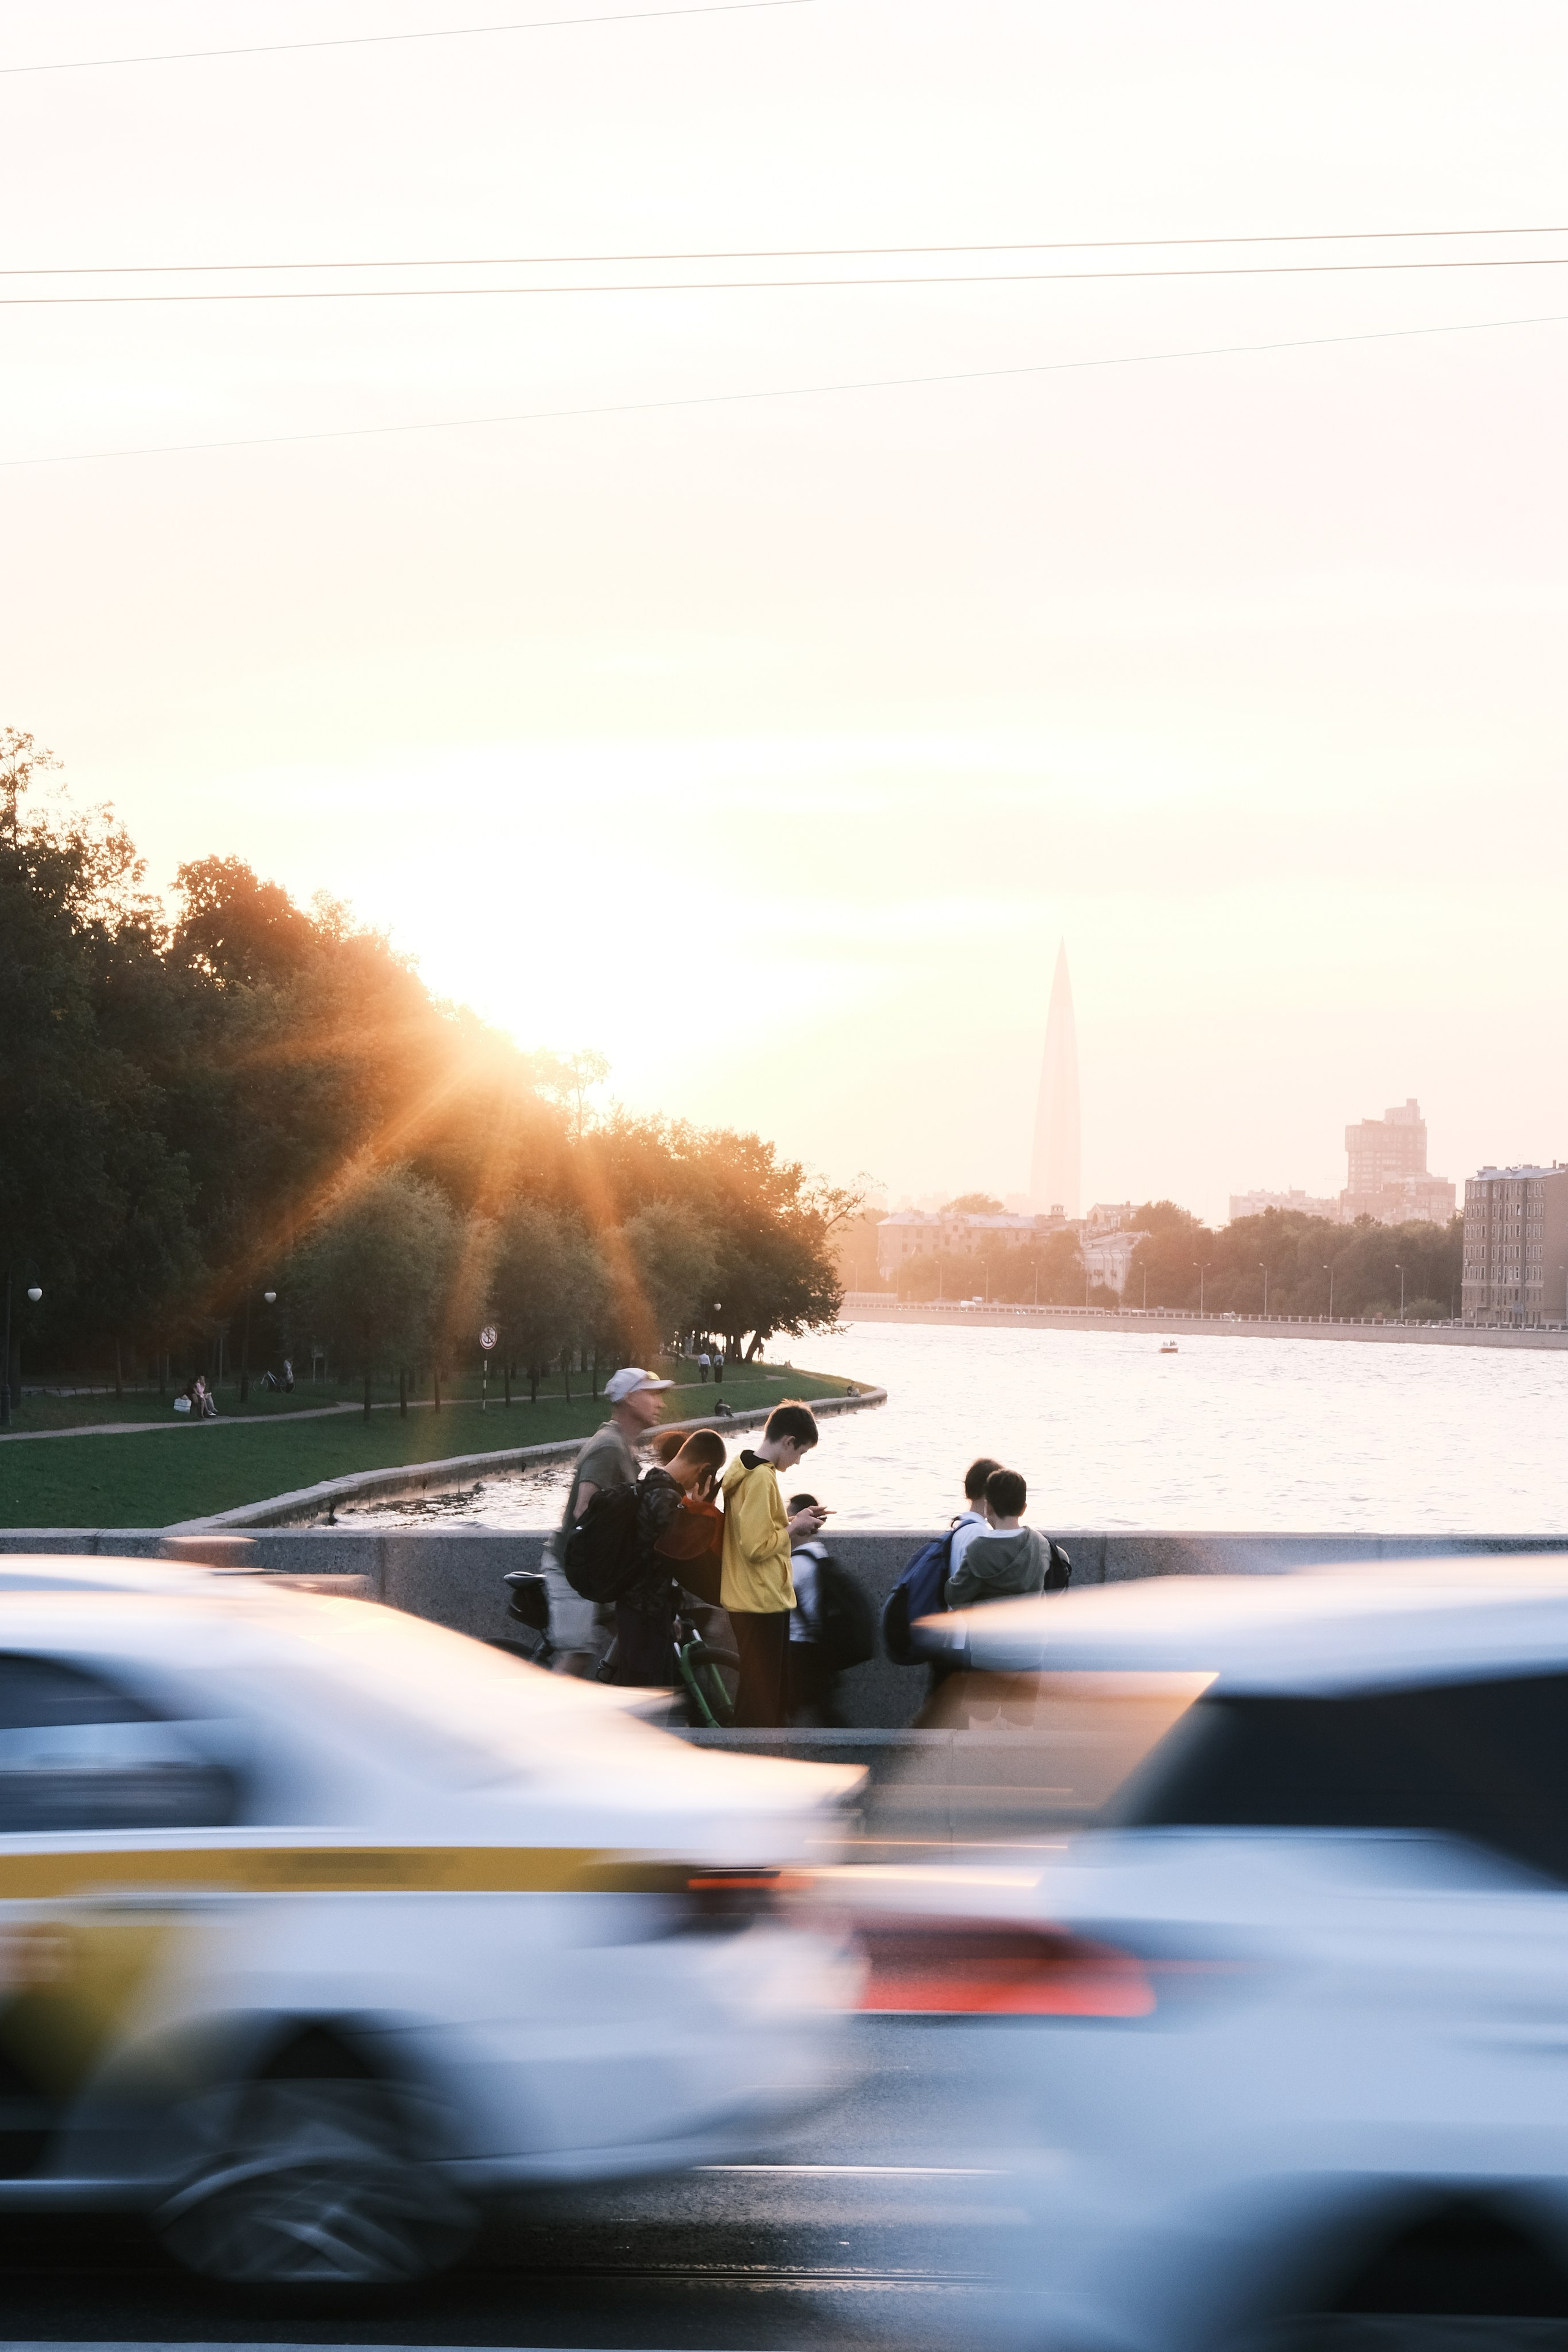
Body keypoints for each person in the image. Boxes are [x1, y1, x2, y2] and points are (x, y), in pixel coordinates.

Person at [546, 1363, 672, 1675]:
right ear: (629, 1398)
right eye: (653, 1394)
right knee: (577, 1656)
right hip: (574, 1571)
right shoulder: (608, 1447)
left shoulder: (623, 1447)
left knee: (637, 1635)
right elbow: (583, 1512)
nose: (661, 1403)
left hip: (600, 1572)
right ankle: (542, 1721)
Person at [719, 1401, 823, 1728]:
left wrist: (793, 1520)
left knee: (756, 1694)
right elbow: (755, 1547)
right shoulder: (762, 1479)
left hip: (745, 1596)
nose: (797, 1462)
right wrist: (794, 1529)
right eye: (800, 1453)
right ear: (789, 1441)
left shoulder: (743, 1468)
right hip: (762, 1601)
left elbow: (754, 1530)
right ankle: (749, 1763)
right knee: (762, 1703)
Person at [609, 1429, 728, 1686]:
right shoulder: (664, 1498)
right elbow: (688, 1560)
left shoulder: (654, 1485)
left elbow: (661, 1559)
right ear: (705, 1468)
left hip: (644, 1612)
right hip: (643, 1619)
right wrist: (702, 1506)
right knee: (647, 1706)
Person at [946, 1466, 1052, 1608]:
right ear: (1023, 1509)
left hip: (989, 1629)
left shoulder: (979, 1549)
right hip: (1031, 1628)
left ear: (988, 1507)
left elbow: (955, 1596)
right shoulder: (1040, 1544)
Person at [785, 1491, 842, 1725]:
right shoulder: (818, 1552)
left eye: (789, 1517)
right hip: (819, 1648)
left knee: (789, 1713)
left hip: (798, 1650)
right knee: (823, 1713)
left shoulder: (796, 1565)